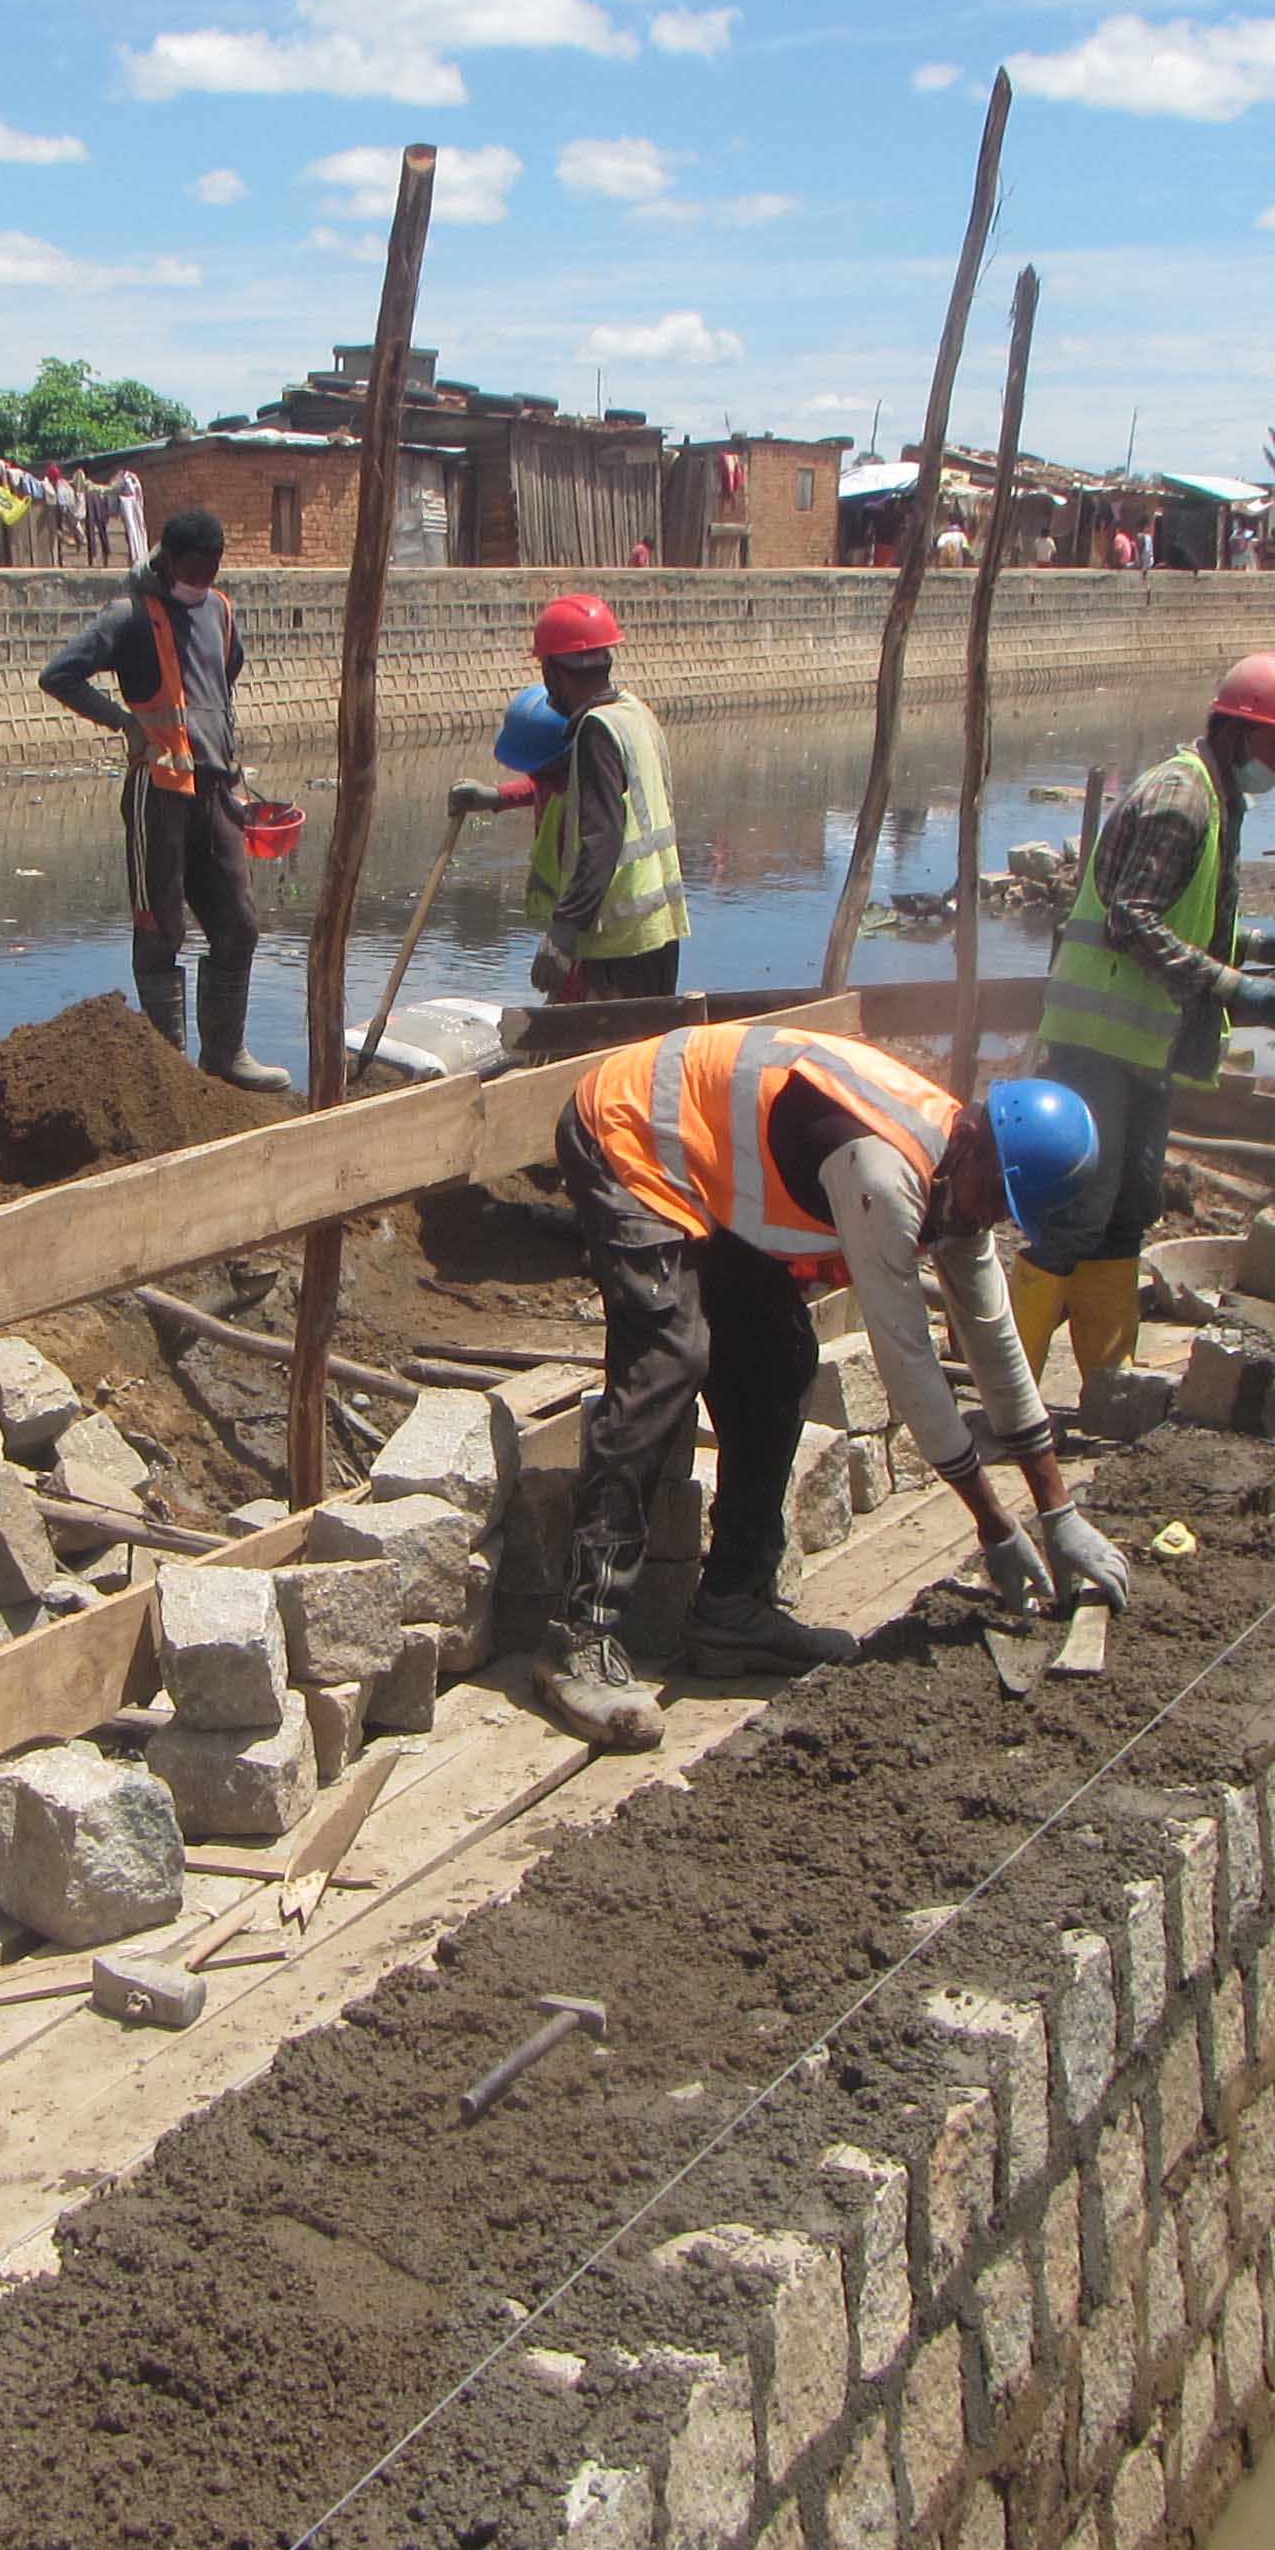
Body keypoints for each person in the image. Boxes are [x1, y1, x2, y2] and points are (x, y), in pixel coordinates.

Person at [535, 1023, 1132, 1748]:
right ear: (974, 1143)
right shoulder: (882, 1173)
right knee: (669, 1359)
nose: (989, 1218)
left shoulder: (962, 1179)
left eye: (1007, 1213)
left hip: (708, 1164)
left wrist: (1057, 1511)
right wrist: (996, 1526)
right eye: (993, 1199)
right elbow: (908, 1361)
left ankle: (732, 1609)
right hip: (632, 1129)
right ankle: (580, 1636)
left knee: (780, 1360)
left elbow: (995, 1344)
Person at [1010, 652, 1275, 1410]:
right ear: (1239, 732)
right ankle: (1010, 1392)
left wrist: (1257, 948)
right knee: (1078, 1212)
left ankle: (1106, 1384)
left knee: (1131, 1210)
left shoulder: (1220, 800)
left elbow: (1182, 915)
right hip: (1097, 1042)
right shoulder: (1180, 799)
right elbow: (1133, 921)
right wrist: (1234, 988)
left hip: (1144, 1046)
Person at [38, 509, 290, 1090]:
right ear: (168, 559)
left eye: (211, 571)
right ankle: (168, 1071)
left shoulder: (221, 612)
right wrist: (125, 724)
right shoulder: (129, 617)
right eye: (192, 570)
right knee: (161, 928)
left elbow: (223, 679)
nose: (200, 581)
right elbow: (61, 675)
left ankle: (225, 1057)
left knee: (239, 925)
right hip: (160, 794)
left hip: (216, 789)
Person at [446, 592, 689, 1004]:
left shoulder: (596, 732)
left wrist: (563, 933)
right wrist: (495, 797)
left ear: (555, 673)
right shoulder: (635, 714)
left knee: (602, 1063)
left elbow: (602, 840)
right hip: (660, 930)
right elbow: (582, 796)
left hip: (619, 943)